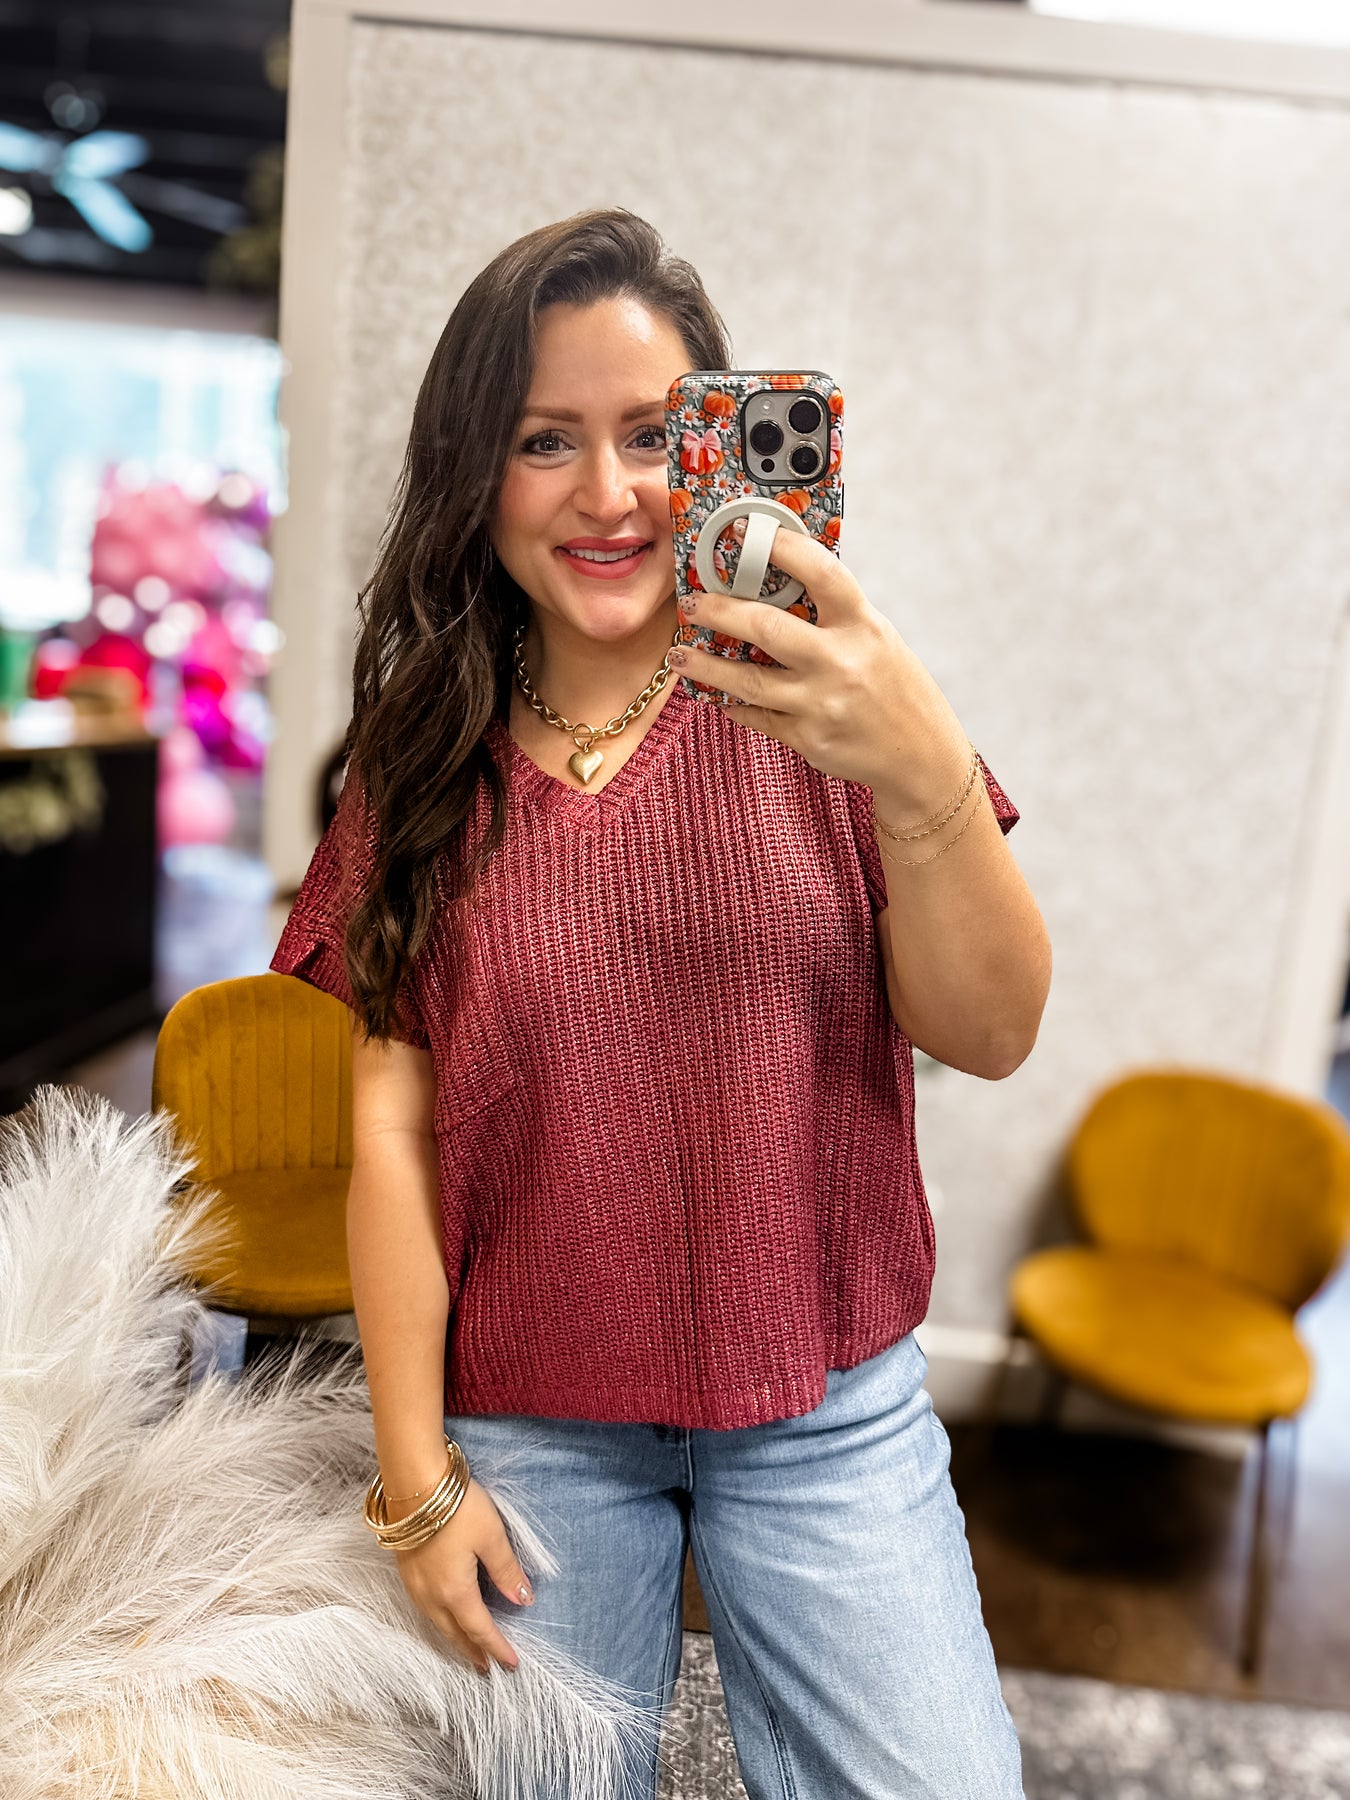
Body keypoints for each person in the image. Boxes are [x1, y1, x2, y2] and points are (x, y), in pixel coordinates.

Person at [271, 207, 1051, 1800]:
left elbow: (988, 1034)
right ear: (473, 473)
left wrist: (921, 769)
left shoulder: (831, 708)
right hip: (533, 1412)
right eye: (541, 439)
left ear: (721, 451)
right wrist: (414, 1481)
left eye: (649, 434)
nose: (609, 493)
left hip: (824, 1406)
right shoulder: (418, 767)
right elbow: (394, 1140)